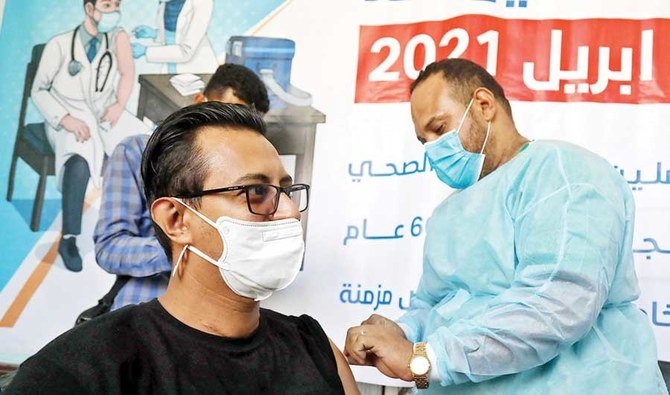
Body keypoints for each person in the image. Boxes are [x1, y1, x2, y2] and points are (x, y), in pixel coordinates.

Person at [344, 59, 668, 394]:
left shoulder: (565, 174)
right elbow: (434, 304)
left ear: (483, 105)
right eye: (423, 140)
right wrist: (400, 332)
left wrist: (422, 359)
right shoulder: (448, 213)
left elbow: (556, 306)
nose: (431, 149)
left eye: (439, 129)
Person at [6, 103, 359, 394]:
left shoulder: (315, 350)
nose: (290, 211)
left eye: (286, 190)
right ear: (176, 219)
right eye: (255, 192)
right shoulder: (77, 372)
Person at [93, 64, 270, 310]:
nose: (236, 137)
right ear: (200, 102)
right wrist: (189, 248)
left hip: (222, 316)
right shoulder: (136, 153)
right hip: (145, 308)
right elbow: (109, 249)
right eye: (227, 119)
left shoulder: (252, 177)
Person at [32, 0, 148, 271]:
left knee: (145, 143)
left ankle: (139, 228)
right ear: (89, 8)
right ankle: (69, 239)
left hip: (104, 112)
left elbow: (127, 72)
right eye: (107, 5)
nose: (113, 11)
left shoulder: (116, 39)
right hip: (66, 116)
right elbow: (39, 91)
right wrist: (65, 119)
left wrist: (119, 104)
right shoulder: (59, 45)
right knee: (79, 159)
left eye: (116, 5)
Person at [131, 0, 218, 74]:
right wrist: (154, 34)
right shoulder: (165, 3)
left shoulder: (202, 2)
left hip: (197, 70)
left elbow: (186, 51)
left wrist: (146, 51)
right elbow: (175, 35)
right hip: (170, 66)